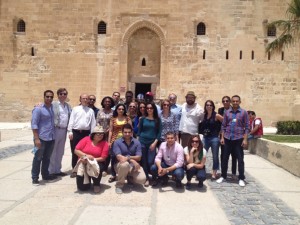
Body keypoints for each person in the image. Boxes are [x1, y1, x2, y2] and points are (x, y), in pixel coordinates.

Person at [217, 95, 249, 187]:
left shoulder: (244, 113)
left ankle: (241, 178)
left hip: (238, 139)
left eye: (237, 101)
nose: (235, 103)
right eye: (233, 101)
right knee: (224, 158)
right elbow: (223, 125)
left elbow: (247, 127)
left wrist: (245, 139)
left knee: (240, 159)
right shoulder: (227, 112)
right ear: (232, 102)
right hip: (227, 138)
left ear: (240, 102)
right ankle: (223, 176)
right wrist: (222, 138)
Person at [67, 93, 96, 177]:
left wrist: (92, 134)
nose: (85, 100)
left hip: (85, 133)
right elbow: (71, 120)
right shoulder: (75, 109)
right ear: (80, 99)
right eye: (83, 98)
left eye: (87, 98)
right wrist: (70, 131)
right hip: (75, 132)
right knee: (75, 151)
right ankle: (74, 170)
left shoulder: (90, 111)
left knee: (85, 151)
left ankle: (85, 168)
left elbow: (93, 124)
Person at [31, 90, 56, 185]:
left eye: (51, 97)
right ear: (44, 97)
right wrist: (36, 139)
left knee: (47, 158)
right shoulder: (38, 109)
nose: (49, 98)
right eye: (47, 96)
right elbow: (34, 124)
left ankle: (45, 175)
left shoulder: (52, 107)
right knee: (37, 158)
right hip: (41, 137)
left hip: (51, 137)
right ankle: (35, 177)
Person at [112, 124, 146, 194]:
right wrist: (132, 160)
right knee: (124, 164)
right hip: (120, 165)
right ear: (122, 132)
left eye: (129, 132)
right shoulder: (117, 142)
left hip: (133, 166)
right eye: (125, 132)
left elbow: (139, 157)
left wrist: (129, 158)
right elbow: (119, 157)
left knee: (142, 179)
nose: (127, 134)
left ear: (132, 132)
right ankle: (119, 185)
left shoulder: (137, 142)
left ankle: (129, 177)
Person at [74, 126, 109, 193]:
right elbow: (76, 150)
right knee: (83, 188)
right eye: (98, 134)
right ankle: (87, 179)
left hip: (96, 162)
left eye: (102, 134)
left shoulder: (105, 143)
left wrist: (91, 161)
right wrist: (86, 156)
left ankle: (96, 184)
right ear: (93, 134)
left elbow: (103, 158)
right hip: (83, 161)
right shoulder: (86, 139)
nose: (100, 135)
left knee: (98, 167)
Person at [49, 88, 72, 176]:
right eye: (61, 94)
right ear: (58, 95)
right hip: (55, 129)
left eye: (65, 94)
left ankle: (57, 170)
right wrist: (38, 105)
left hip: (64, 130)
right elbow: (44, 106)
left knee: (60, 151)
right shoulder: (53, 104)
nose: (63, 95)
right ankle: (51, 171)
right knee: (53, 151)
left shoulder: (68, 106)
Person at [138, 102, 162, 187]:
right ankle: (147, 178)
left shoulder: (157, 119)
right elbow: (139, 131)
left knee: (151, 161)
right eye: (147, 108)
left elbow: (159, 133)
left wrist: (155, 143)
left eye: (151, 108)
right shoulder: (143, 119)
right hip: (143, 142)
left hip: (152, 143)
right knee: (144, 161)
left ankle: (154, 177)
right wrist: (139, 141)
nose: (149, 110)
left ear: (154, 109)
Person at [107, 103, 132, 183]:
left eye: (122, 109)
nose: (121, 110)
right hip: (115, 140)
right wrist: (109, 141)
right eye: (119, 109)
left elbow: (131, 130)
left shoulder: (127, 118)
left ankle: (127, 174)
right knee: (113, 157)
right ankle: (113, 174)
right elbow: (111, 130)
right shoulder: (113, 119)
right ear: (116, 110)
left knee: (126, 156)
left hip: (126, 140)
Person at [200, 100, 222, 179]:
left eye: (210, 105)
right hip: (205, 138)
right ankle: (201, 170)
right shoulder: (204, 115)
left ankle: (214, 172)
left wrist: (221, 134)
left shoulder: (216, 115)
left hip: (214, 138)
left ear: (213, 106)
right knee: (202, 154)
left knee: (215, 156)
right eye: (207, 105)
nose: (208, 106)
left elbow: (225, 124)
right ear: (205, 106)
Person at [218, 96, 237, 179]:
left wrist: (224, 119)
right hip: (224, 135)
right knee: (223, 155)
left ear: (230, 102)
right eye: (223, 101)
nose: (225, 102)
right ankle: (223, 172)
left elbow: (235, 122)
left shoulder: (235, 110)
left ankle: (233, 173)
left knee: (234, 155)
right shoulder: (221, 110)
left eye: (227, 101)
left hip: (234, 136)